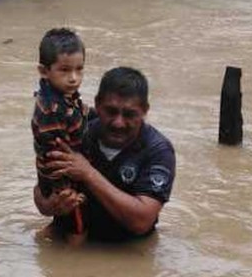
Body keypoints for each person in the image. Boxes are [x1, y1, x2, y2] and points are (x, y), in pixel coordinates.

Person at [34, 67, 176, 242]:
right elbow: (41, 187)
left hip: (125, 249)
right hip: (70, 236)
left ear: (145, 111)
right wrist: (50, 206)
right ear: (97, 104)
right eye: (111, 111)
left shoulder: (158, 150)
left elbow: (142, 222)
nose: (118, 123)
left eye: (129, 114)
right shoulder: (75, 127)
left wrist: (88, 173)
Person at [31, 28, 92, 239]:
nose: (74, 78)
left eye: (79, 69)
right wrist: (66, 193)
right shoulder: (52, 110)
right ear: (44, 71)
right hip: (64, 186)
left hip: (65, 180)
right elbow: (56, 157)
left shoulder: (63, 94)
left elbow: (80, 111)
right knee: (78, 230)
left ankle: (48, 235)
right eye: (64, 70)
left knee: (62, 226)